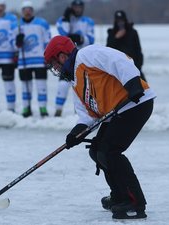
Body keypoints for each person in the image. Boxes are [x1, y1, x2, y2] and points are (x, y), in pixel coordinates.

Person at [44, 36, 156, 219]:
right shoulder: (75, 82)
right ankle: (120, 196)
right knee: (96, 150)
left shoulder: (87, 55)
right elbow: (87, 116)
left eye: (54, 64)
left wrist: (133, 83)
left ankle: (135, 202)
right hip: (118, 112)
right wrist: (76, 133)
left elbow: (121, 60)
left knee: (110, 151)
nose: (55, 69)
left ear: (63, 56)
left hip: (136, 103)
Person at [54, 0, 95, 117]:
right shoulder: (62, 20)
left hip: (83, 58)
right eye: (75, 7)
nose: (77, 9)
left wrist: (81, 39)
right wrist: (67, 18)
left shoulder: (88, 21)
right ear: (71, 8)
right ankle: (58, 111)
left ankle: (79, 112)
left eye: (79, 7)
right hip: (68, 58)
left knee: (81, 85)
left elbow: (91, 38)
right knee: (63, 85)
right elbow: (63, 33)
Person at [15, 1, 51, 118]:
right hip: (24, 61)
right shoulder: (18, 25)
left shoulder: (42, 23)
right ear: (22, 11)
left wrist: (48, 58)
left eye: (29, 9)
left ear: (32, 10)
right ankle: (26, 108)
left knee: (41, 86)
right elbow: (13, 45)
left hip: (39, 60)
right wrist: (18, 42)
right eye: (25, 10)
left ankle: (43, 108)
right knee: (26, 86)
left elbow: (47, 42)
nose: (27, 12)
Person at [107, 10, 146, 81]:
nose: (120, 23)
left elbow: (138, 51)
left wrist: (138, 67)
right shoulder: (112, 33)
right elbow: (108, 51)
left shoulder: (133, 32)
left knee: (143, 89)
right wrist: (116, 38)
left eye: (122, 21)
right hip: (118, 69)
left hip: (133, 67)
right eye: (118, 21)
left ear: (125, 20)